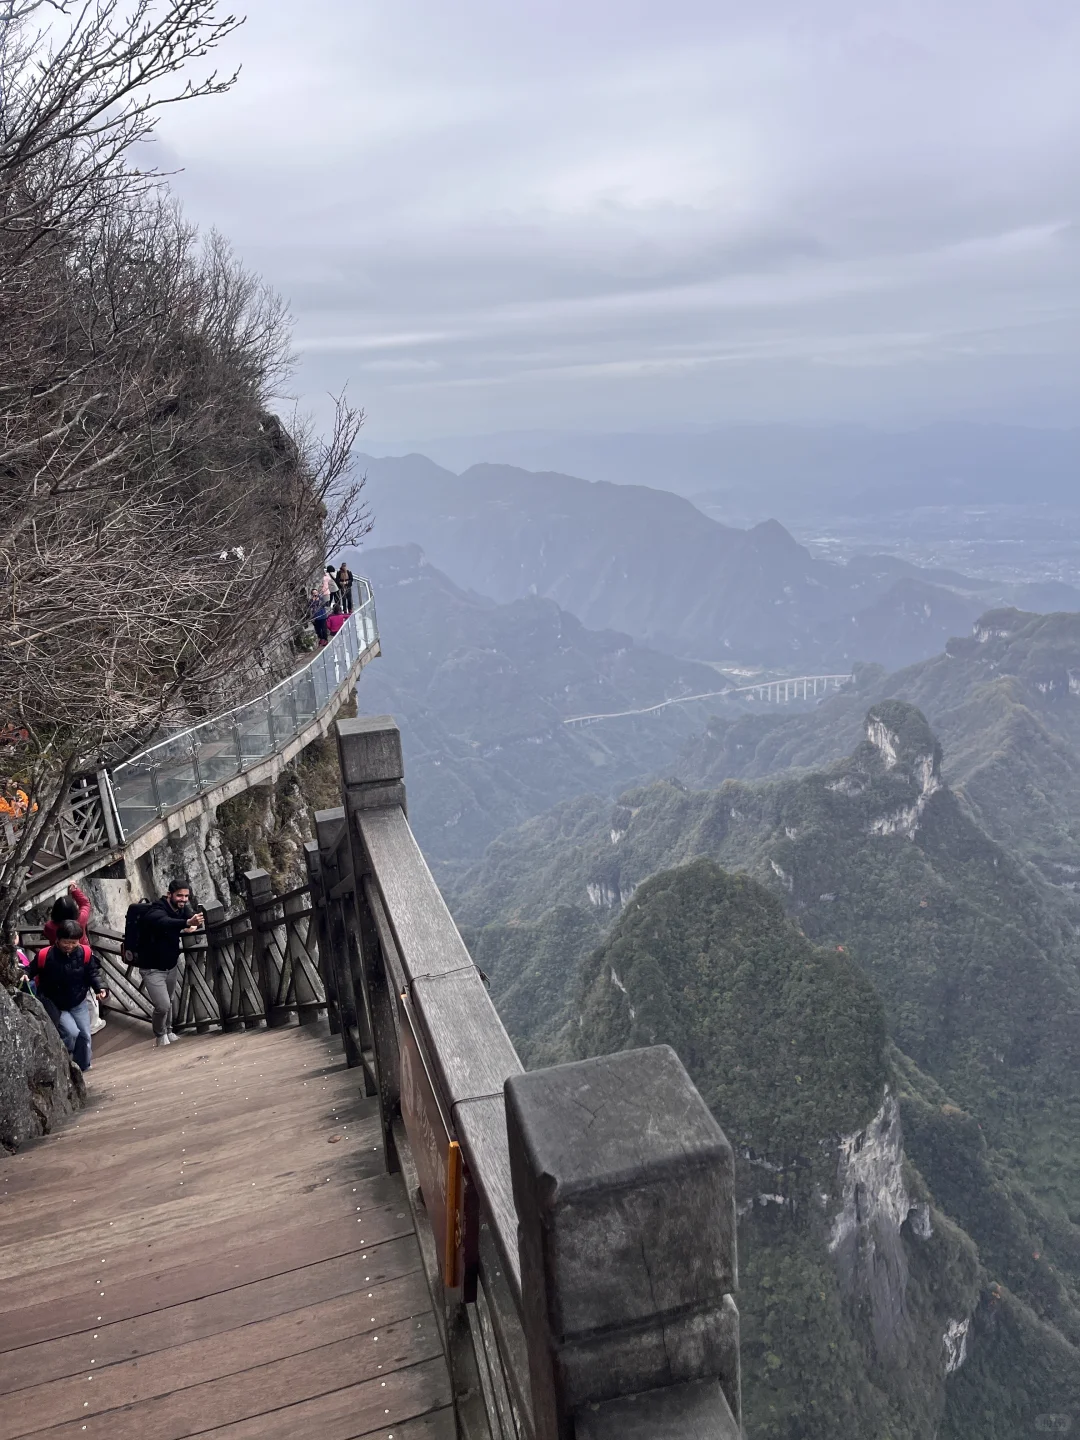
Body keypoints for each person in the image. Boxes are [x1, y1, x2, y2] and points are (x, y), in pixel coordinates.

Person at [29, 920, 108, 1072]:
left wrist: (100, 988)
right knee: (72, 1033)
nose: (70, 946)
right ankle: (66, 1061)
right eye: (66, 942)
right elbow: (30, 970)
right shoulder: (45, 956)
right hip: (56, 1004)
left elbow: (92, 973)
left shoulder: (84, 953)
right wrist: (24, 975)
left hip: (78, 1001)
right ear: (57, 939)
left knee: (85, 1035)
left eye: (74, 942)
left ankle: (82, 1067)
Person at [139, 879, 203, 1047]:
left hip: (170, 965)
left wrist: (193, 924)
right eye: (179, 895)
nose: (183, 899)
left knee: (170, 999)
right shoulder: (157, 909)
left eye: (186, 896)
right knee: (163, 1005)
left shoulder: (181, 908)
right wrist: (187, 923)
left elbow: (189, 915)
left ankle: (169, 1030)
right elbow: (162, 922)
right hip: (152, 968)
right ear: (169, 895)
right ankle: (160, 1034)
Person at [43, 884, 105, 1033]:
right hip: (82, 959)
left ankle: (73, 1024)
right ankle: (93, 1024)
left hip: (59, 961)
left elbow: (47, 933)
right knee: (88, 992)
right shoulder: (80, 921)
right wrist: (75, 890)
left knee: (68, 990)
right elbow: (85, 903)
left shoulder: (50, 927)